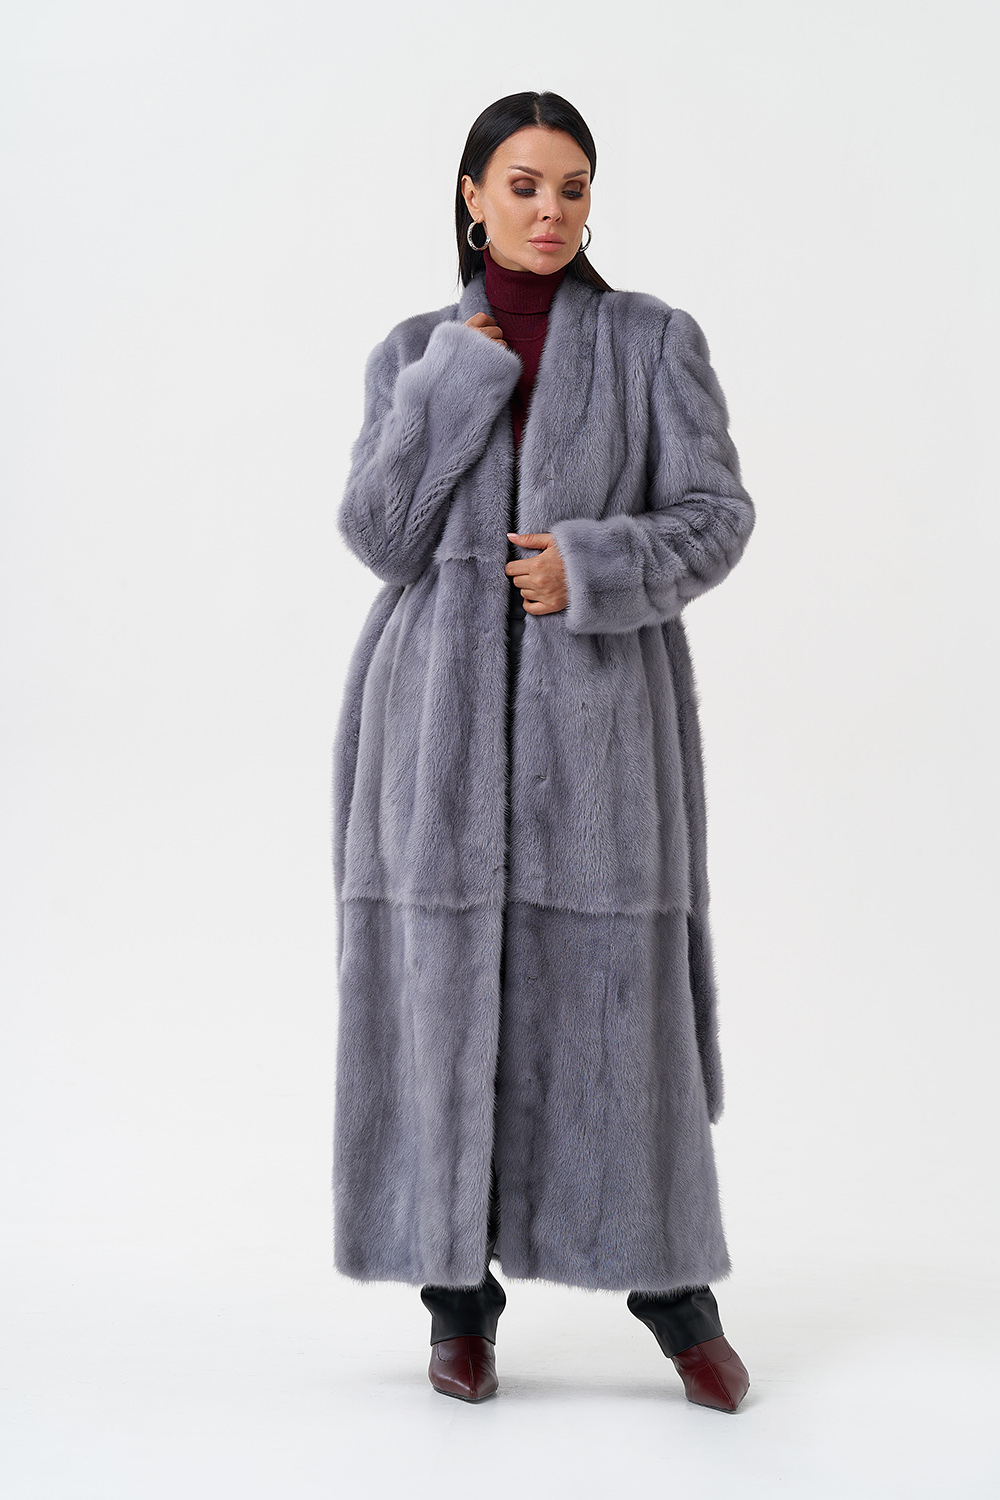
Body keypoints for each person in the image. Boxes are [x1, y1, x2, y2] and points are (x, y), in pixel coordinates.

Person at [331, 90, 756, 1412]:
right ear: (472, 196)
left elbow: (717, 515)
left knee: (621, 1020)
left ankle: (675, 1297)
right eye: (522, 185)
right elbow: (381, 535)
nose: (550, 211)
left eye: (573, 188)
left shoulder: (652, 341)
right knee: (441, 1007)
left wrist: (593, 565)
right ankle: (456, 1302)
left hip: (602, 738)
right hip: (435, 735)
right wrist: (455, 385)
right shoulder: (415, 351)